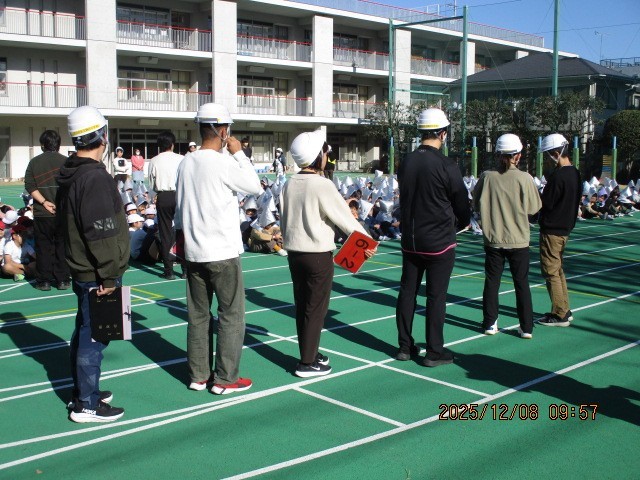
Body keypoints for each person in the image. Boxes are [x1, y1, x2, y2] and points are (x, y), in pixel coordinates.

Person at [175, 103, 262, 394]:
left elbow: (180, 207)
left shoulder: (186, 162)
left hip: (194, 250)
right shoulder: (224, 162)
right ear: (223, 130)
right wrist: (239, 153)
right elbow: (255, 186)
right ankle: (225, 379)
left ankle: (198, 375)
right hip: (222, 251)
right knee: (231, 314)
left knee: (198, 316)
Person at [280, 130, 375, 378]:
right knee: (316, 309)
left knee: (303, 305)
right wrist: (367, 242)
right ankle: (307, 362)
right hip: (317, 254)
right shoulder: (322, 184)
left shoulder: (289, 183)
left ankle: (309, 353)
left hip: (295, 253)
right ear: (316, 156)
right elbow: (346, 220)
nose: (326, 156)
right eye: (324, 152)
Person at [56, 105, 129, 422]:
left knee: (86, 330)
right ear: (102, 135)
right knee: (94, 336)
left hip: (82, 266)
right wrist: (109, 275)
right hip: (96, 270)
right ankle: (86, 402)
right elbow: (101, 232)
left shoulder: (72, 172)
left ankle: (84, 391)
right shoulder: (95, 177)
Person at [395, 108, 470, 366]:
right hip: (439, 241)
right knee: (436, 297)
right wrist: (462, 222)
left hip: (411, 239)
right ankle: (434, 351)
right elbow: (461, 202)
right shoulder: (447, 165)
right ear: (443, 133)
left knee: (407, 292)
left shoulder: (406, 161)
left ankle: (404, 346)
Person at [473, 134, 542, 339]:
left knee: (492, 282)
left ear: (498, 154)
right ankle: (526, 326)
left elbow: (475, 203)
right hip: (518, 238)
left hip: (493, 238)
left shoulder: (487, 177)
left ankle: (490, 322)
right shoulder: (525, 178)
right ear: (518, 155)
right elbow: (534, 208)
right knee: (521, 283)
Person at [537, 133, 581, 327]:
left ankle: (559, 313)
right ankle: (564, 308)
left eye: (548, 154)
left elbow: (546, 203)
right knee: (558, 269)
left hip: (553, 229)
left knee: (551, 271)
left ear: (556, 153)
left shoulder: (558, 176)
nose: (548, 159)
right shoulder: (575, 173)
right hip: (565, 228)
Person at [24, 129, 72, 291]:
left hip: (42, 212)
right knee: (62, 246)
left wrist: (44, 202)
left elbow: (30, 185)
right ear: (58, 145)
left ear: (43, 145)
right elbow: (72, 185)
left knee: (43, 247)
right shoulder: (67, 162)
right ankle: (62, 279)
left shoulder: (34, 162)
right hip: (62, 211)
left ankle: (44, 281)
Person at [148, 131, 184, 280]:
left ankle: (169, 271)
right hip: (179, 195)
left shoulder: (154, 160)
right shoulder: (181, 159)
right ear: (172, 144)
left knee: (165, 232)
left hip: (163, 196)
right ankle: (185, 269)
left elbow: (151, 184)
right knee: (182, 231)